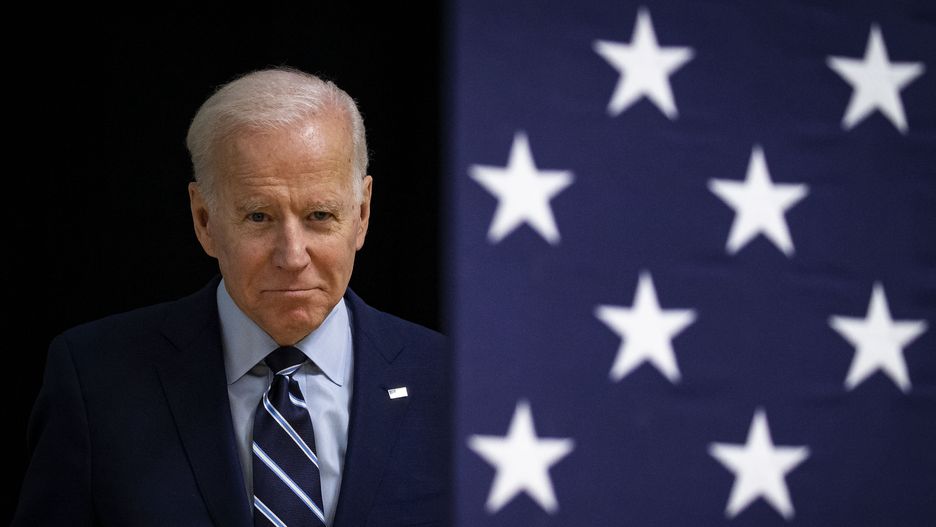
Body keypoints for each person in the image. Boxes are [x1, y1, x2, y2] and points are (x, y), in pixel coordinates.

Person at [14, 68, 449, 526]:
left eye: (320, 215)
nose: (292, 256)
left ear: (361, 214)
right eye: (259, 217)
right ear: (204, 220)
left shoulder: (452, 383)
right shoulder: (95, 383)